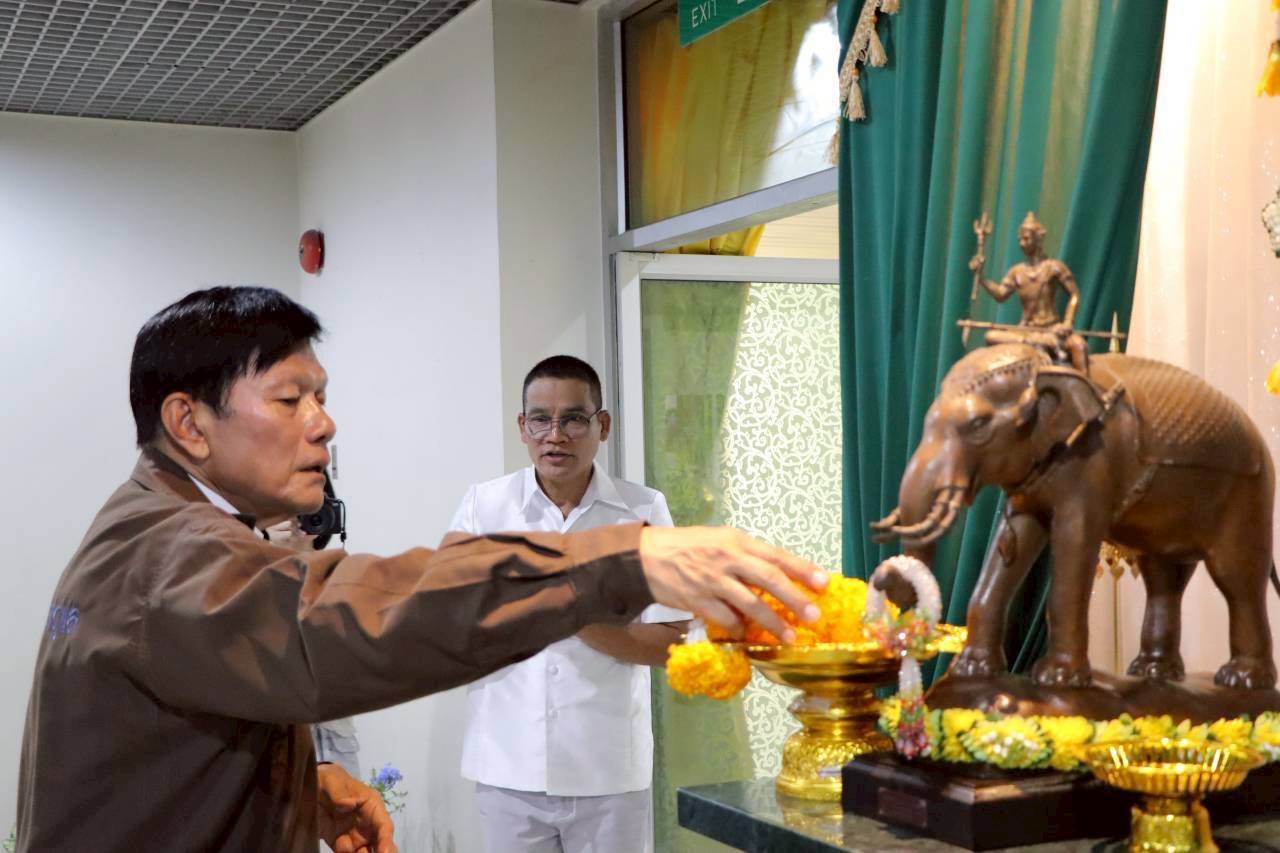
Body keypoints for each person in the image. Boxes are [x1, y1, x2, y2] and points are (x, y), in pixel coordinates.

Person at [17, 286, 827, 853]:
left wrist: (302, 781)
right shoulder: (169, 551)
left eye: (321, 396)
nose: (325, 424)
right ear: (189, 423)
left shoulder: (160, 522)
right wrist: (625, 557)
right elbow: (357, 616)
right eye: (291, 399)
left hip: (605, 765)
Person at [451, 356, 686, 853]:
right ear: (523, 427)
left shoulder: (644, 510)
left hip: (608, 773)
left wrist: (572, 613)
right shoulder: (483, 508)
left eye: (574, 419)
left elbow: (673, 644)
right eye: (540, 419)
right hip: (507, 768)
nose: (555, 436)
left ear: (603, 426)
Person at [969, 211, 1090, 371]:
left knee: (1079, 346)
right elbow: (1000, 294)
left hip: (1052, 329)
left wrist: (1067, 323)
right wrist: (981, 278)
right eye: (1020, 239)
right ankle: (1036, 342)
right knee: (991, 336)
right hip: (1026, 331)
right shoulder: (1017, 272)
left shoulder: (1054, 267)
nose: (1022, 243)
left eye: (1026, 239)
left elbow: (1074, 295)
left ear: (1038, 239)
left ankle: (1083, 384)